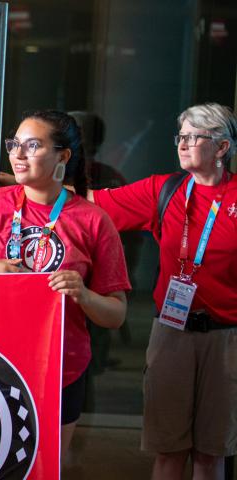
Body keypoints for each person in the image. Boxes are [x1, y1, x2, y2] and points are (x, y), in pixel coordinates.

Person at [0, 110, 130, 461]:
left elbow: (116, 314)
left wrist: (83, 294)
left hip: (60, 367)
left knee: (43, 466)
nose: (18, 154)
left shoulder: (93, 221)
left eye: (33, 145)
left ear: (63, 156)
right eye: (15, 144)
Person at [85, 103, 237, 480]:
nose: (183, 145)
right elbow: (89, 203)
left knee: (210, 454)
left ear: (221, 148)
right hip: (172, 332)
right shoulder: (164, 189)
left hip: (227, 338)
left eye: (193, 137)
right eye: (180, 136)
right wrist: (27, 184)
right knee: (168, 450)